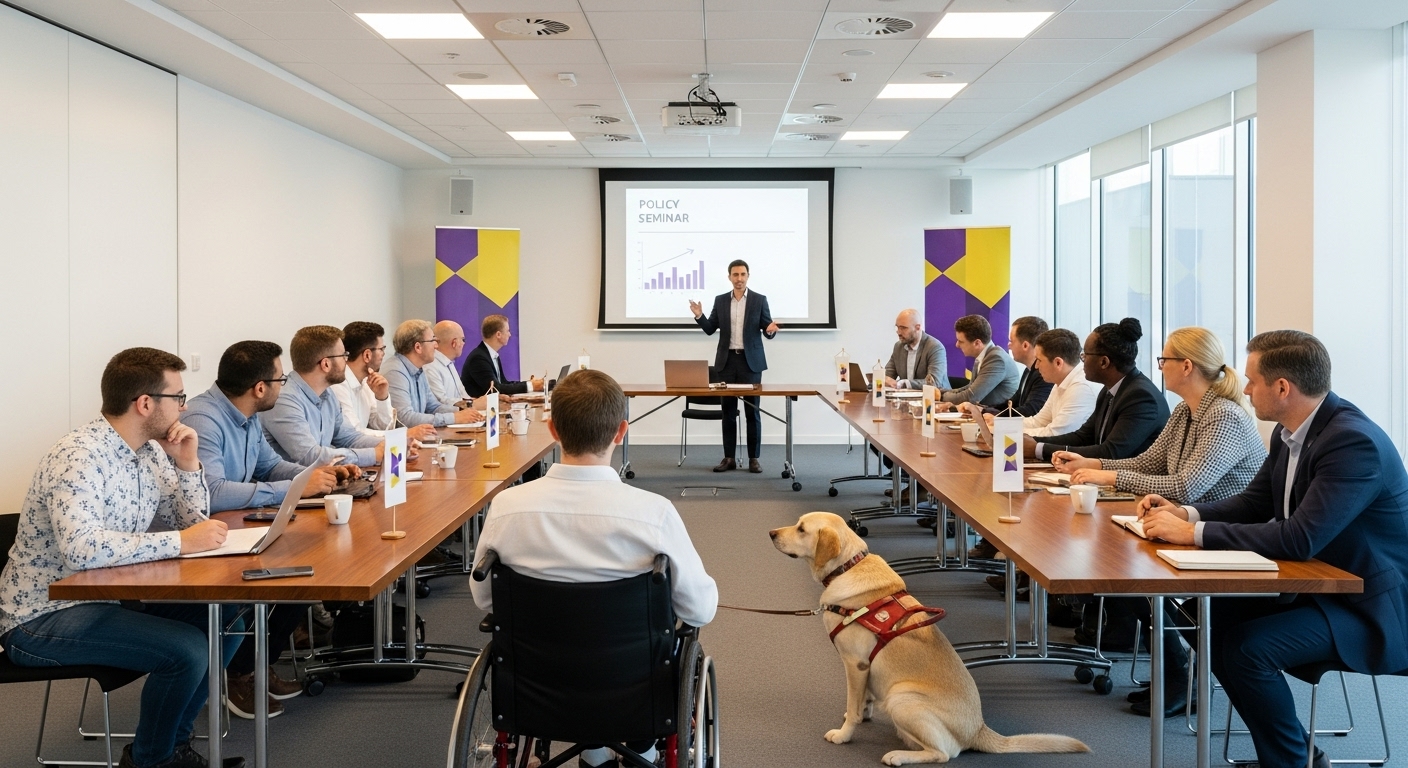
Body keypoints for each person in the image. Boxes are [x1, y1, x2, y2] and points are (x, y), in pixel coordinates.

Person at [1141, 331, 1408, 768]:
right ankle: (1295, 754)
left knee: (1249, 647)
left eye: (1251, 380)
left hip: (1372, 607)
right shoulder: (1291, 432)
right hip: (1321, 587)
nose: (1243, 389)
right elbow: (1255, 502)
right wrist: (1187, 513)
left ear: (1282, 387)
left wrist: (1194, 535)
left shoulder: (1350, 442)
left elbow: (1300, 538)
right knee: (1198, 617)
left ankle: (1289, 761)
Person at [0, 348, 246, 768]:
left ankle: (172, 747)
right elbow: (82, 548)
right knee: (186, 649)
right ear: (146, 403)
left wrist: (188, 465)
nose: (185, 407)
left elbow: (191, 522)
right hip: (40, 617)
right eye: (179, 397)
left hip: (105, 597)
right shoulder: (79, 456)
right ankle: (152, 760)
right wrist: (181, 542)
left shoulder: (151, 452)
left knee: (227, 621)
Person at [470, 369, 718, 768]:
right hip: (634, 689)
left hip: (536, 687)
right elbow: (699, 609)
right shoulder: (653, 514)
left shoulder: (507, 508)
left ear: (552, 429)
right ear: (621, 432)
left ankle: (594, 751)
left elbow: (485, 598)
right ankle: (638, 749)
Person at [1061, 327, 1269, 713]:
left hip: (1226, 533)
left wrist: (1108, 476)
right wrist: (1096, 464)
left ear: (1186, 366)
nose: (1159, 368)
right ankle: (1176, 665)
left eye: (1164, 360)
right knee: (1118, 556)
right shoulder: (1185, 411)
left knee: (1127, 563)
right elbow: (1148, 462)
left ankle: (1179, 668)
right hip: (1185, 525)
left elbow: (1187, 486)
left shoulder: (1223, 416)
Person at [182, 341, 351, 719]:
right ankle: (238, 673)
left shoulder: (248, 415)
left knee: (309, 572)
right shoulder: (203, 418)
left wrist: (316, 475)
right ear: (260, 387)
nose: (284, 384)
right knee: (277, 583)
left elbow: (270, 466)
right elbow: (212, 492)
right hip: (200, 542)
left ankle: (255, 664)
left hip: (237, 530)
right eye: (280, 378)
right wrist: (292, 488)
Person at [967, 328, 1099, 558]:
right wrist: (1002, 427)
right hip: (1055, 456)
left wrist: (1011, 433)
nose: (1035, 367)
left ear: (1057, 362)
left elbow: (1056, 432)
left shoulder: (1081, 389)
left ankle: (1022, 561)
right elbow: (1038, 421)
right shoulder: (1060, 382)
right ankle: (1006, 551)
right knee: (998, 481)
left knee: (1016, 490)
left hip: (1068, 461)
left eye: (1039, 361)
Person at [1025, 318, 1169, 461]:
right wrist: (1032, 441)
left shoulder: (1141, 397)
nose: (1082, 362)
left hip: (1134, 481)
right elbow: (1083, 437)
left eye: (1085, 355)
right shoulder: (1109, 391)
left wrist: (1038, 449)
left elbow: (1111, 452)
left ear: (1104, 362)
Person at [689, 259, 779, 473]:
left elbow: (768, 329)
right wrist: (699, 316)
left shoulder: (759, 300)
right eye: (735, 275)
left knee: (752, 412)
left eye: (742, 274)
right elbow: (711, 329)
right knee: (728, 411)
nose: (739, 278)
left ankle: (753, 459)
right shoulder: (720, 301)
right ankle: (728, 458)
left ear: (748, 276)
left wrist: (771, 330)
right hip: (727, 362)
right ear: (729, 277)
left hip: (751, 363)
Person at [263, 325, 384, 467]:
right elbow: (311, 456)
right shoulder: (283, 399)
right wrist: (373, 454)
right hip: (291, 486)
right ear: (326, 364)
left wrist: (391, 445)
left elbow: (349, 438)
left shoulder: (328, 394)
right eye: (344, 355)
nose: (347, 360)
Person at [331, 322, 436, 442]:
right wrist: (404, 434)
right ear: (367, 355)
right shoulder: (339, 385)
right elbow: (353, 434)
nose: (384, 354)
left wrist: (382, 398)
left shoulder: (367, 381)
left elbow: (383, 426)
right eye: (381, 349)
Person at [380, 319, 485, 428]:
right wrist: (454, 418)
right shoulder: (395, 372)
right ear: (418, 347)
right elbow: (404, 418)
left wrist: (464, 412)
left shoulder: (418, 369)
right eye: (432, 340)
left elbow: (433, 407)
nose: (436, 346)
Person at [939, 314, 1019, 409]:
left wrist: (940, 396)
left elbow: (971, 397)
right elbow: (970, 388)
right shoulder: (984, 355)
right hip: (984, 412)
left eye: (961, 341)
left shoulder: (997, 359)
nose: (957, 345)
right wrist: (941, 392)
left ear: (977, 343)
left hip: (997, 416)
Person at [461, 314, 544, 398]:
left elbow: (503, 383)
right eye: (507, 331)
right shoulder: (478, 358)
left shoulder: (491, 355)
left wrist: (529, 383)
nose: (510, 334)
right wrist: (530, 386)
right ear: (498, 335)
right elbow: (495, 389)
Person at [882, 308, 946, 390]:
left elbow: (934, 382)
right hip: (906, 399)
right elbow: (887, 376)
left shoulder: (934, 347)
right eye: (897, 327)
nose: (899, 332)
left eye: (903, 328)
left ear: (917, 328)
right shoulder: (898, 347)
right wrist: (883, 379)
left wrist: (904, 383)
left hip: (937, 400)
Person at [426, 320, 472, 407]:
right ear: (454, 343)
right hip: (447, 419)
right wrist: (475, 404)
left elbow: (464, 396)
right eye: (463, 339)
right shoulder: (430, 366)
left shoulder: (449, 363)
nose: (463, 343)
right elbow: (441, 402)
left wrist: (487, 402)